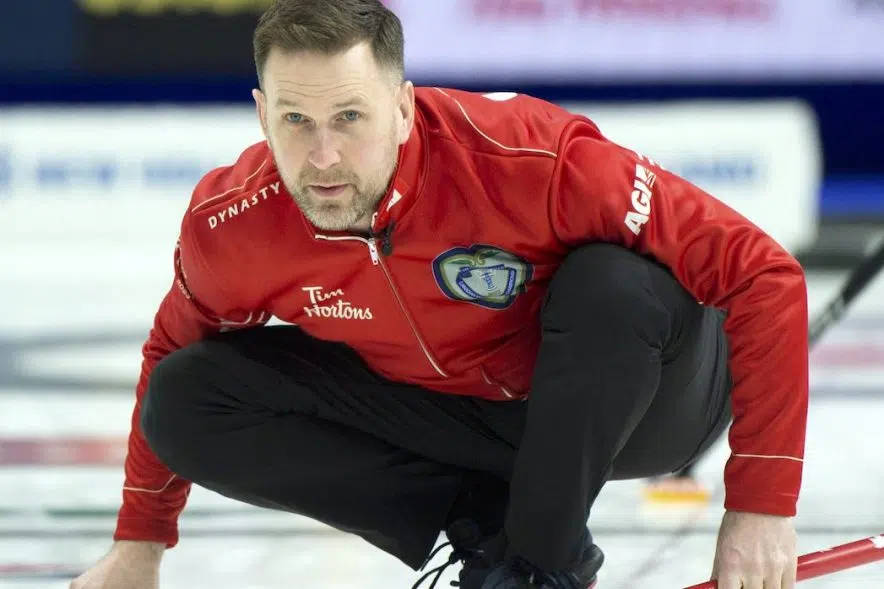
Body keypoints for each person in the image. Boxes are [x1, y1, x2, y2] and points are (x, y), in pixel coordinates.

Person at [70, 1, 809, 588]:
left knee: (613, 282)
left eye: (349, 118)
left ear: (402, 108)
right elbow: (170, 352)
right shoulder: (232, 222)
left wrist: (760, 506)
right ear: (262, 114)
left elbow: (763, 275)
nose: (322, 156)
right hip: (458, 416)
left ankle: (541, 559)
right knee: (185, 395)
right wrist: (139, 545)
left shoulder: (531, 156)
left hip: (651, 404)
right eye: (296, 120)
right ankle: (485, 530)